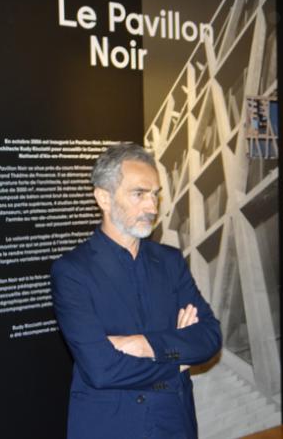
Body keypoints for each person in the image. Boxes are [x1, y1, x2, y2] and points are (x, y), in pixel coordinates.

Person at [51, 143, 222, 439]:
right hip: (112, 427)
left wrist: (144, 345)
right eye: (139, 194)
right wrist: (177, 360)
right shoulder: (72, 271)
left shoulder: (169, 261)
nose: (152, 208)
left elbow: (210, 337)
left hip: (175, 424)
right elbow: (102, 369)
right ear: (103, 198)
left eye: (155, 194)